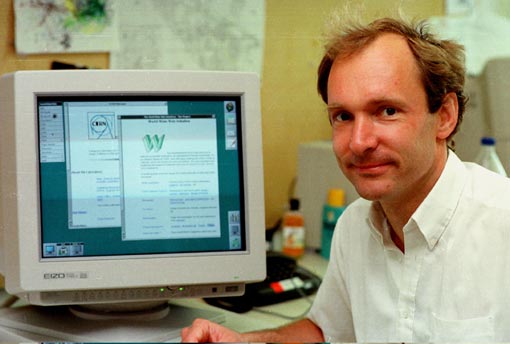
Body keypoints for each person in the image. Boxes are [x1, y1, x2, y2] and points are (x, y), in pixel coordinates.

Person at [181, 16, 510, 343]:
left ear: (445, 116)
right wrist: (247, 341)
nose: (358, 142)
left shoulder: (501, 226)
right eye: (343, 116)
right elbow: (327, 331)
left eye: (387, 111)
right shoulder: (353, 227)